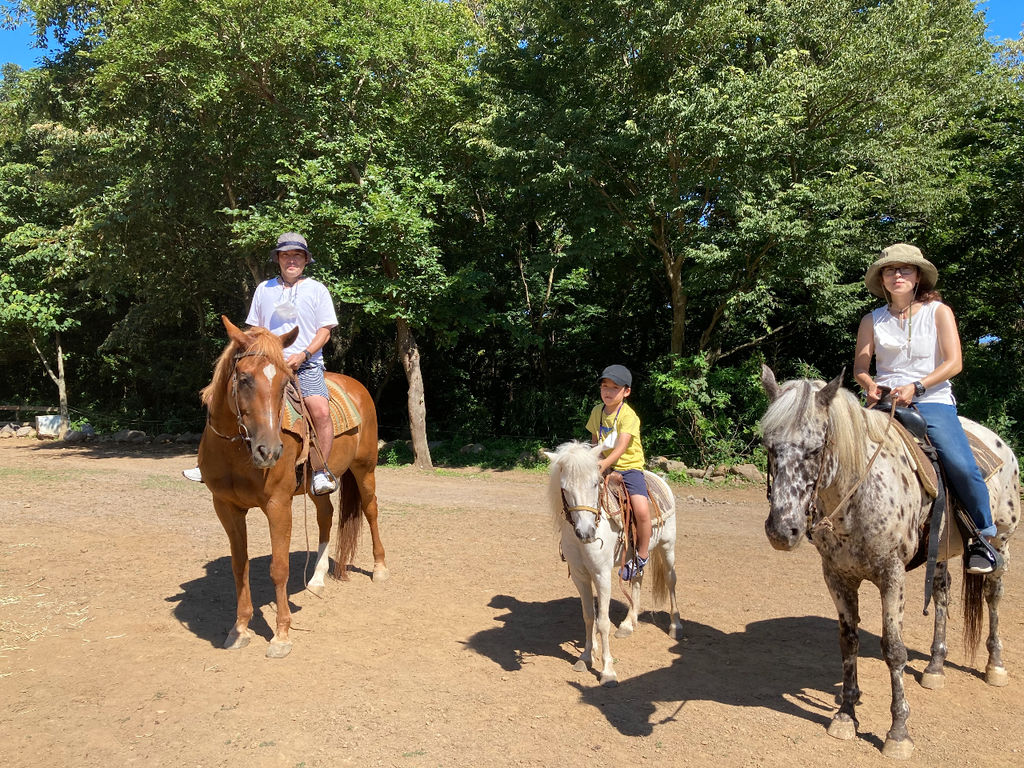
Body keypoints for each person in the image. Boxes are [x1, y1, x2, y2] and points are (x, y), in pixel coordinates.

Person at [853, 242, 998, 574]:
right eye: (891, 270)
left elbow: (954, 362)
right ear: (883, 279)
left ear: (917, 276)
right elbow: (861, 368)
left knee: (961, 464)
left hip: (931, 400)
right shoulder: (871, 320)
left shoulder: (939, 313)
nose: (897, 275)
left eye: (905, 269)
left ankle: (982, 537)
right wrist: (870, 385)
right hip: (884, 402)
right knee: (841, 450)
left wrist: (917, 386)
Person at [184, 232, 340, 495]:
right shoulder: (264, 289)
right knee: (217, 398)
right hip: (264, 365)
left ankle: (320, 471)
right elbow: (255, 328)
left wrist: (304, 354)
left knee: (320, 411)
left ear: (305, 260)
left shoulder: (317, 289)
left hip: (306, 364)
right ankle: (208, 464)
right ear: (278, 259)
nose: (292, 260)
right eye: (286, 255)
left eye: (297, 255)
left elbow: (325, 330)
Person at [586, 364, 652, 581]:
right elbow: (594, 442)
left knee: (641, 509)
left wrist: (603, 466)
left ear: (626, 391)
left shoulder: (628, 416)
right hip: (604, 464)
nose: (607, 391)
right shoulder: (597, 411)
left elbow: (622, 447)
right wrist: (594, 461)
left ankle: (642, 555)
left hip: (629, 467)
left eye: (614, 387)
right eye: (605, 386)